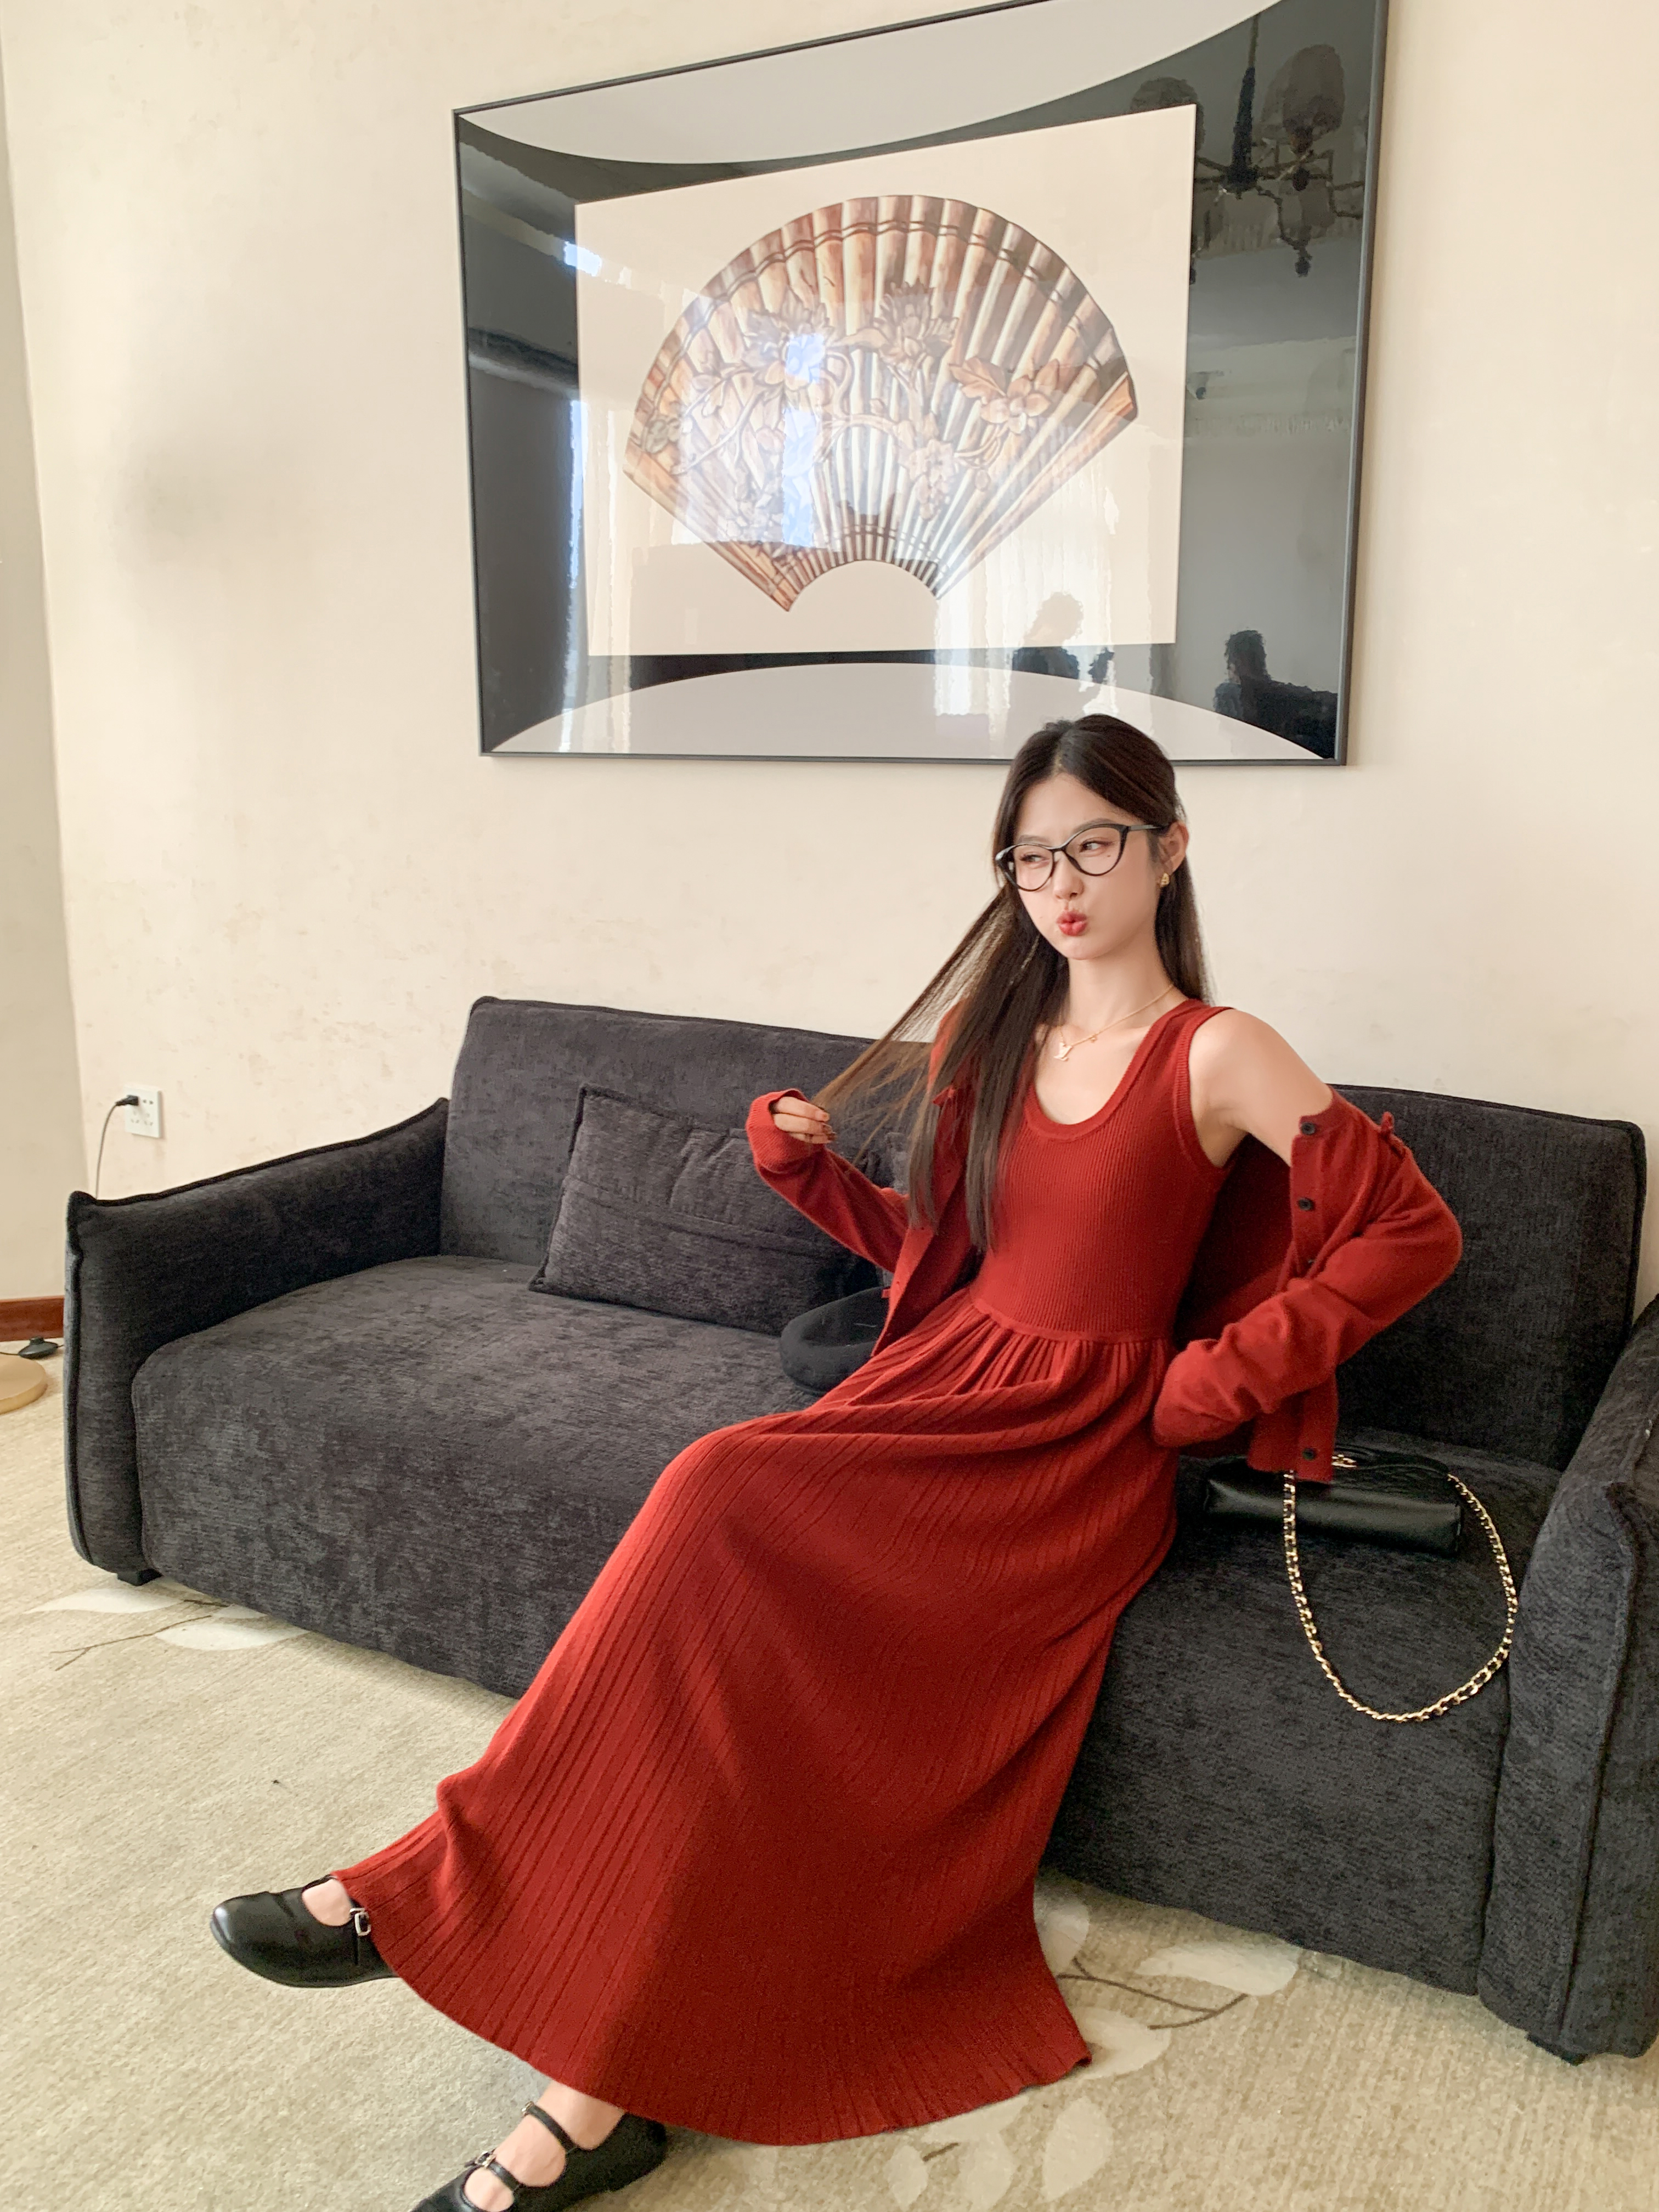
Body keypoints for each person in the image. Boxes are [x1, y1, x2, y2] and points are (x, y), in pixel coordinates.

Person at [210, 714, 1462, 2212]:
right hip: (945, 1381)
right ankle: (550, 2041)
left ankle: (425, 1900)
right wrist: (810, 1179)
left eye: (1094, 845)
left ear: (1169, 847)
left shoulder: (1220, 1050)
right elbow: (953, 1264)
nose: (1062, 885)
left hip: (1066, 1450)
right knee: (716, 1603)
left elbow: (1412, 1230)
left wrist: (1214, 1380)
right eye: (1030, 859)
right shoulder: (1007, 1041)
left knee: (716, 1490)